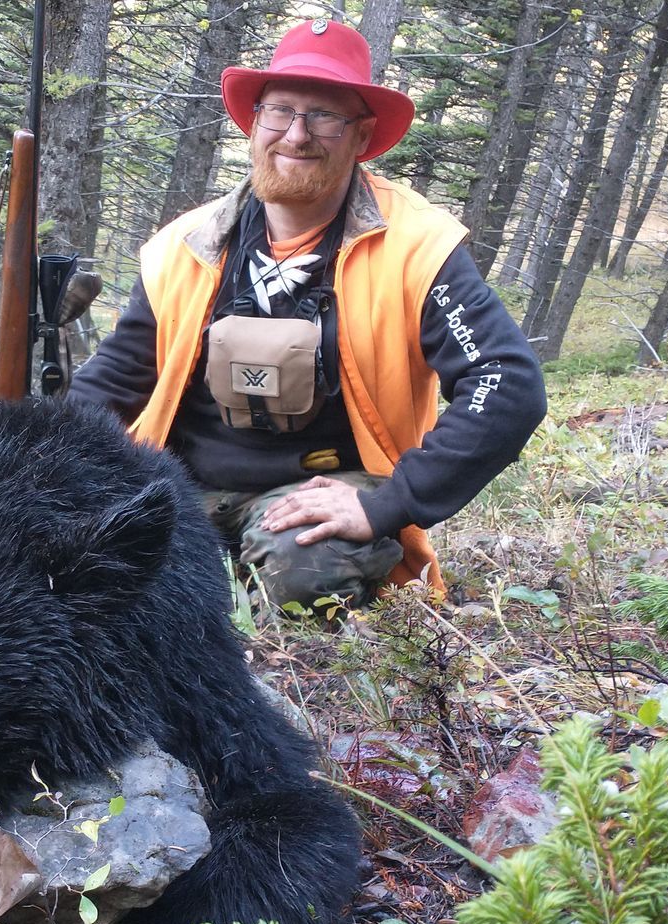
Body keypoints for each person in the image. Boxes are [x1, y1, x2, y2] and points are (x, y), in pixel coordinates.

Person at [68, 19, 546, 609]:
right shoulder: (187, 245)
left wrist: (385, 504)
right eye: (279, 111)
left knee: (300, 574)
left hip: (317, 495)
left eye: (324, 115)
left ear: (363, 135)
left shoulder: (418, 246)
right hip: (179, 485)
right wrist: (46, 467)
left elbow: (507, 385)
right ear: (253, 122)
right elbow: (115, 382)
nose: (297, 134)